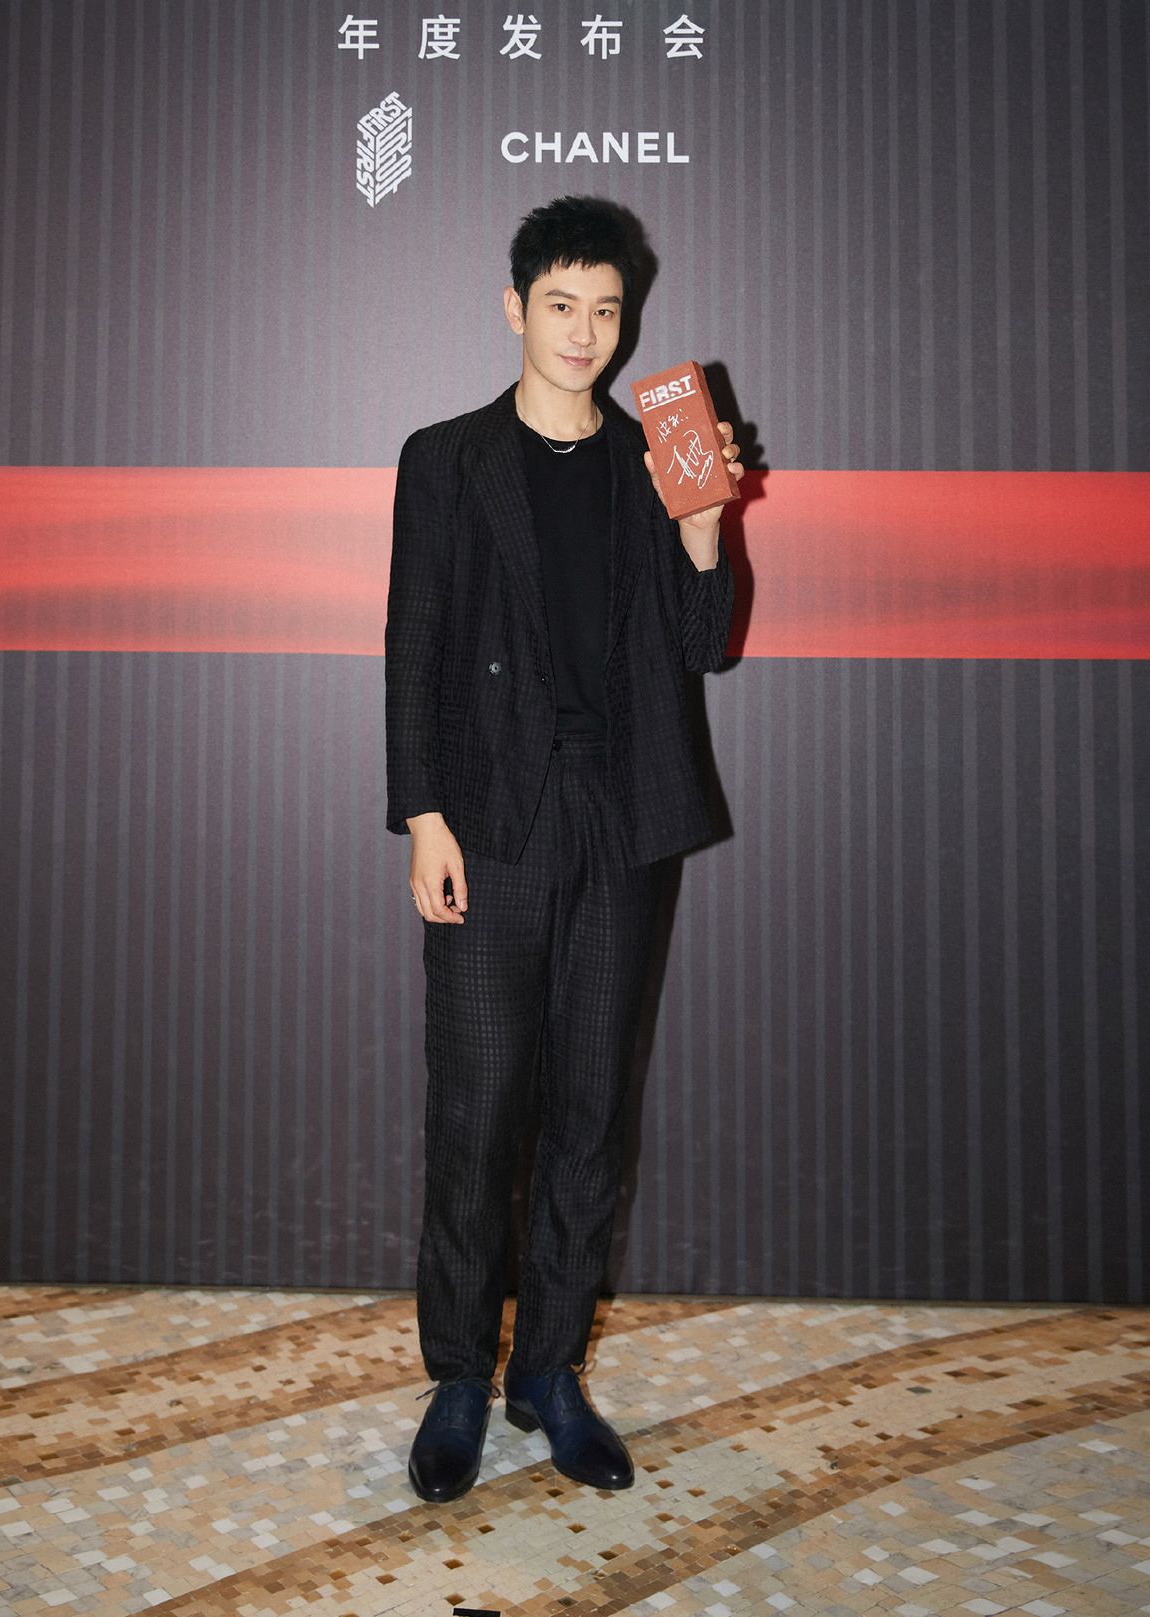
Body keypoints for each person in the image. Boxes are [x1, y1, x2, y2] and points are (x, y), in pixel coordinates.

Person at [384, 195, 739, 1503]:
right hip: (492, 817)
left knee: (592, 1107)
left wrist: (705, 524)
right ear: (515, 308)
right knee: (478, 1110)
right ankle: (459, 1378)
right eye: (560, 305)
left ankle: (551, 1370)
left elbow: (705, 643)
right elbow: (412, 646)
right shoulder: (446, 459)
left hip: (624, 815)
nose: (585, 332)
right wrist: (424, 816)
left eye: (605, 309)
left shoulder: (658, 456)